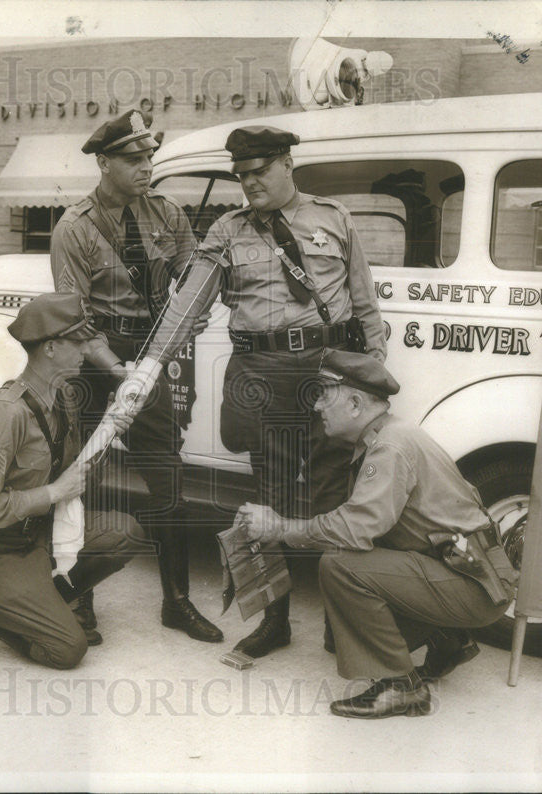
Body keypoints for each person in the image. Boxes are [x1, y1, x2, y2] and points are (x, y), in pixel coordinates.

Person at [142, 125, 387, 659]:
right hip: (263, 372)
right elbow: (188, 306)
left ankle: (339, 623)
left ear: (286, 166)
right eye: (241, 175)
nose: (249, 183)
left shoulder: (333, 218)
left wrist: (370, 378)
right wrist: (149, 366)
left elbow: (364, 303)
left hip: (328, 372)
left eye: (259, 172)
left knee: (333, 496)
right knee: (269, 498)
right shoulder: (228, 230)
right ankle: (275, 621)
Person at [236, 350, 517, 718]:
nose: (318, 405)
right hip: (470, 572)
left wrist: (280, 528)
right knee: (344, 630)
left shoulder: (389, 447)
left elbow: (355, 529)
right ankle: (447, 638)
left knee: (340, 566)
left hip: (473, 584)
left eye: (324, 394)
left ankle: (402, 687)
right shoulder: (390, 434)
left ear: (354, 403)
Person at [49, 109, 222, 644]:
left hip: (148, 352)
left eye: (149, 156)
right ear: (104, 163)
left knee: (167, 478)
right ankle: (78, 600)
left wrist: (178, 333)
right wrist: (113, 367)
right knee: (84, 477)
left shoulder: (167, 214)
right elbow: (71, 317)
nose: (146, 166)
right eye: (133, 159)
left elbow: (196, 280)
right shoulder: (74, 228)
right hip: (93, 360)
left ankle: (177, 601)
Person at [0, 293, 145, 669]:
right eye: (79, 341)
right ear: (51, 347)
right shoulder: (7, 413)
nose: (88, 349)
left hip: (33, 538)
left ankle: (33, 603)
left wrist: (109, 432)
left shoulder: (63, 397)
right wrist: (53, 492)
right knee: (67, 649)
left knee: (124, 532)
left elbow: (75, 478)